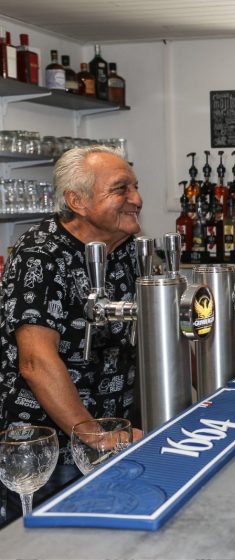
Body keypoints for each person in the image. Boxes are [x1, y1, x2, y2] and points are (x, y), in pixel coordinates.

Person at [0, 145, 144, 527]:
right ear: (76, 200)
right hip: (50, 454)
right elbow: (35, 361)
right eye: (121, 189)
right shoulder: (41, 254)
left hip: (114, 434)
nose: (137, 199)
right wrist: (95, 436)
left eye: (135, 187)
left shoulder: (129, 249)